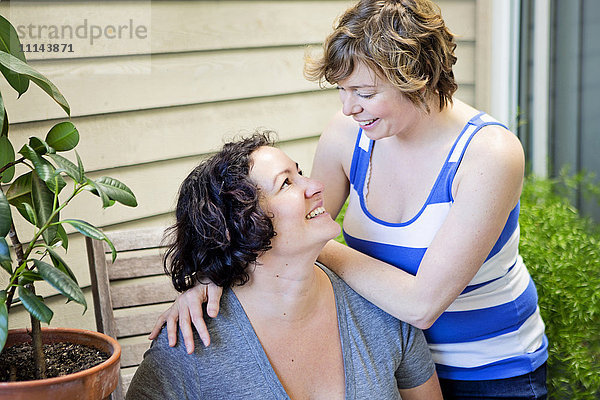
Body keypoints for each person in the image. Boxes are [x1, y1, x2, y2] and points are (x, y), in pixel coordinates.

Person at [151, 1, 548, 398]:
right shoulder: (349, 134)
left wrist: (315, 245)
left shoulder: (490, 154)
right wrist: (206, 280)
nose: (348, 107)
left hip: (490, 370)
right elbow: (290, 218)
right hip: (390, 358)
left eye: (365, 92)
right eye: (342, 89)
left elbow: (422, 305)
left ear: (420, 77)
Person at [129, 132, 442, 399]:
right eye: (287, 183)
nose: (316, 186)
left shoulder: (380, 310)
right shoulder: (188, 348)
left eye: (300, 173)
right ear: (242, 226)